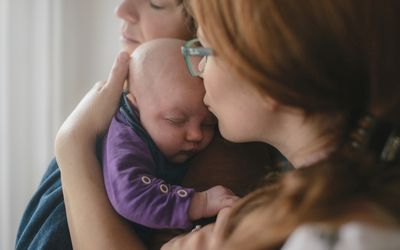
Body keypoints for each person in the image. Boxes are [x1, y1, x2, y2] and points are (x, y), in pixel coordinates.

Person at [54, 0, 400, 249]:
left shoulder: (343, 237)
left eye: (203, 50)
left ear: (270, 74)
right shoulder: (281, 209)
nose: (198, 71)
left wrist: (73, 144)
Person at [15, 0, 270, 249]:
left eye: (156, 3)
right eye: (176, 119)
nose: (121, 10)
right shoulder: (127, 119)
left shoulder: (230, 141)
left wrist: (72, 142)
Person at [102, 38, 238, 242]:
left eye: (208, 124)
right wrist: (199, 202)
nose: (196, 135)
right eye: (176, 120)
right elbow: (132, 194)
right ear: (135, 107)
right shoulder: (125, 137)